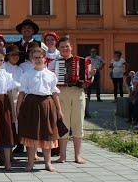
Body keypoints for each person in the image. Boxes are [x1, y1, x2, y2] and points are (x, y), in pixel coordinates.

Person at [17, 46, 64, 172]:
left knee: (47, 134)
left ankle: (47, 163)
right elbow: (21, 93)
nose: (38, 60)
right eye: (35, 57)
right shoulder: (27, 74)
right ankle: (30, 163)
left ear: (45, 59)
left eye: (40, 57)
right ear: (32, 59)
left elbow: (54, 93)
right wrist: (18, 108)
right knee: (31, 134)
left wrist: (59, 110)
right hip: (31, 105)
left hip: (47, 105)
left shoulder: (51, 75)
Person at [55, 36, 95, 164]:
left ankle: (78, 155)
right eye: (62, 47)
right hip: (62, 92)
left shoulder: (82, 61)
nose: (65, 49)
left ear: (71, 47)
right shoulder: (55, 63)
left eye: (67, 46)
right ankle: (62, 155)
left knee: (78, 123)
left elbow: (88, 80)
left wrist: (90, 77)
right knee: (63, 124)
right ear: (58, 49)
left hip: (78, 93)